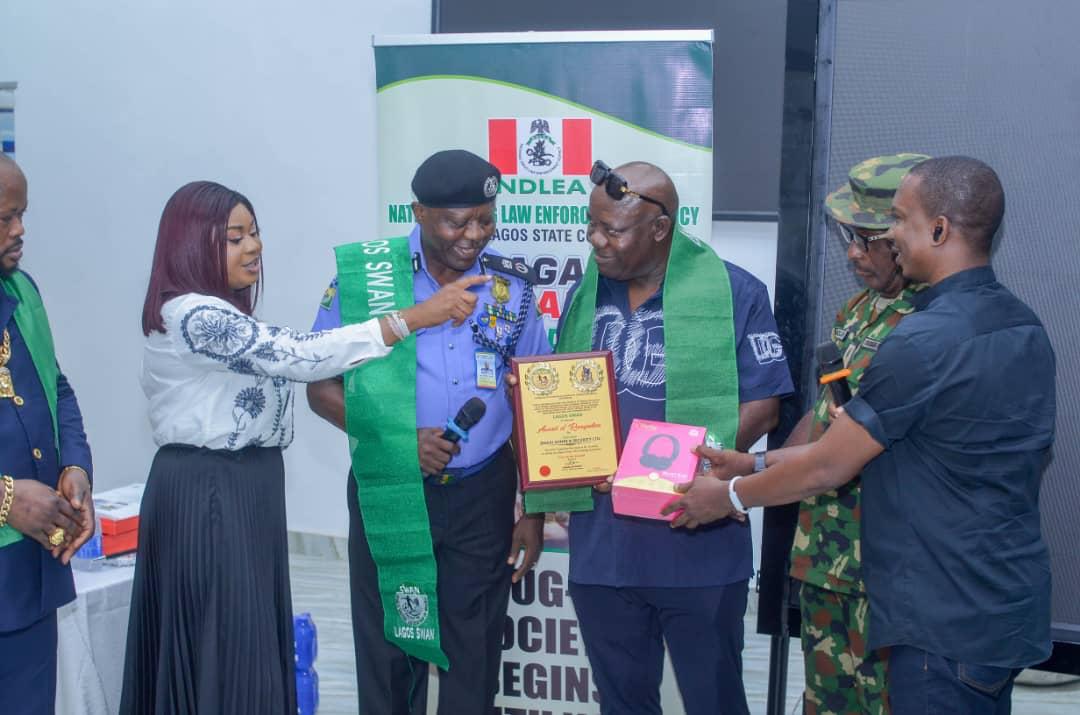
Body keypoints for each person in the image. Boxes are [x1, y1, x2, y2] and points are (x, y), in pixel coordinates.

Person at [669, 156, 1055, 714]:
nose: (890, 236)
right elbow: (850, 436)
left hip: (937, 615)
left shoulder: (925, 341)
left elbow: (831, 465)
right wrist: (754, 465)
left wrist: (728, 496)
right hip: (994, 601)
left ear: (939, 230)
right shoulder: (1021, 324)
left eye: (897, 221)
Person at [120, 180, 484, 715]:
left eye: (254, 232)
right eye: (235, 238)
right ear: (192, 244)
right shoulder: (195, 316)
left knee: (244, 636)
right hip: (209, 490)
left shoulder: (222, 312)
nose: (254, 247)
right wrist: (412, 318)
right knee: (222, 637)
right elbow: (300, 356)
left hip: (245, 484)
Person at [306, 149, 550, 714]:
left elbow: (536, 401)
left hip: (482, 493)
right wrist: (399, 440)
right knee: (390, 646)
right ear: (418, 214)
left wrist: (534, 511)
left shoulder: (510, 288)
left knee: (474, 653)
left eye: (485, 220)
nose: (474, 235)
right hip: (392, 487)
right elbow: (321, 388)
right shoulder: (365, 280)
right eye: (457, 222)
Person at [553, 160, 793, 715]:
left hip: (697, 544)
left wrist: (682, 464)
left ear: (660, 228)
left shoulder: (734, 292)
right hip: (604, 549)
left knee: (714, 702)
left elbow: (764, 405)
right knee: (622, 704)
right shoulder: (585, 296)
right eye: (591, 226)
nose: (595, 241)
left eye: (612, 230)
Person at [784, 152, 928, 715]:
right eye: (849, 236)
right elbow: (827, 411)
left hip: (886, 571)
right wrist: (764, 468)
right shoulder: (860, 310)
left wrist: (743, 489)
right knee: (826, 702)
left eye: (868, 239)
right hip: (825, 554)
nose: (852, 253)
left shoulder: (932, 327)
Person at [0, 155, 95, 715]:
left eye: (23, 215)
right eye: (5, 218)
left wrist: (75, 468)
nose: (20, 231)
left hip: (29, 573)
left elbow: (55, 388)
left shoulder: (23, 292)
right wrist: (7, 498)